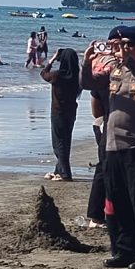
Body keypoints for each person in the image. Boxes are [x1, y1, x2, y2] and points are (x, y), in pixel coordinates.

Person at [84, 25, 135, 269]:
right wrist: (87, 63)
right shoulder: (114, 68)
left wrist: (129, 61)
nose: (124, 48)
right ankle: (123, 249)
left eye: (129, 44)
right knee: (118, 201)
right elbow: (88, 84)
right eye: (121, 44)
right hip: (112, 144)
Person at [42, 45, 82, 181]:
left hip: (58, 112)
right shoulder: (77, 77)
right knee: (65, 140)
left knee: (58, 142)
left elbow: (43, 74)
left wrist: (52, 60)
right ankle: (58, 170)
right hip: (71, 111)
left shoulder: (58, 76)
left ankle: (65, 173)